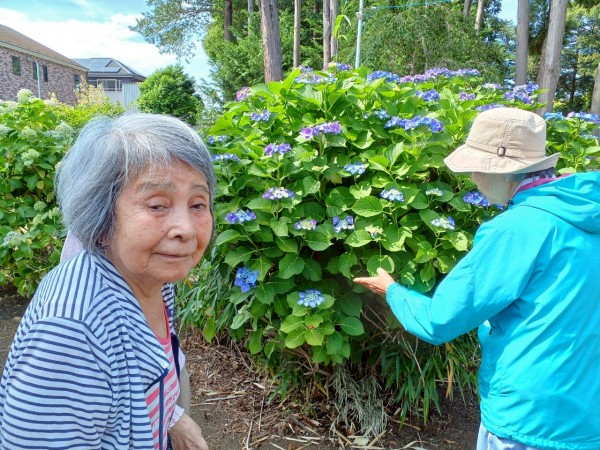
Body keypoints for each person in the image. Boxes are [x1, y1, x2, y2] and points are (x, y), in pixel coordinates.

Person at [354, 107, 600, 450]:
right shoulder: (585, 210)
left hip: (528, 418)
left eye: (478, 168)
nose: (472, 177)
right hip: (587, 415)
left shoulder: (516, 229)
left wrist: (392, 291)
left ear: (507, 172)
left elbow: (440, 320)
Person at [0, 113, 213, 450]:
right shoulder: (71, 332)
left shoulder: (150, 279)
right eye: (157, 205)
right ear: (100, 220)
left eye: (198, 204)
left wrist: (173, 418)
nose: (185, 228)